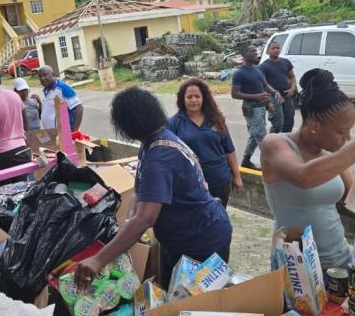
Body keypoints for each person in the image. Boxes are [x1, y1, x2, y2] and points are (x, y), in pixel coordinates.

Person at [74, 87, 233, 290]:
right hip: (183, 238)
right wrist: (131, 217)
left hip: (202, 241)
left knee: (194, 307)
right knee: (170, 293)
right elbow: (140, 190)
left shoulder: (160, 157)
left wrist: (97, 260)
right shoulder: (153, 142)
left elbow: (145, 219)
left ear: (126, 126)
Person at [261, 69, 355, 270]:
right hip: (297, 266)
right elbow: (304, 176)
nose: (348, 138)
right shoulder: (275, 144)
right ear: (314, 126)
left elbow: (354, 205)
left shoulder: (330, 159)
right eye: (342, 131)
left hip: (340, 258)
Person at [168, 78, 243, 207]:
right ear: (182, 99)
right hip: (191, 182)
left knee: (218, 216)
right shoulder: (174, 123)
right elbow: (169, 155)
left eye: (197, 96)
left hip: (220, 180)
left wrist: (237, 176)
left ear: (204, 98)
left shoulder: (215, 119)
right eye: (189, 97)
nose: (193, 100)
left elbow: (229, 149)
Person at [231, 45, 282, 170]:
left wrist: (273, 94)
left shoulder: (258, 69)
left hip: (261, 107)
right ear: (243, 55)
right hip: (251, 109)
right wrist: (256, 96)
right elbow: (234, 94)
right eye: (251, 51)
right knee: (261, 136)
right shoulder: (239, 73)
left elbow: (264, 86)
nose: (255, 52)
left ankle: (246, 160)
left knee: (254, 135)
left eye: (255, 50)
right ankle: (270, 166)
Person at [259, 41, 297, 133]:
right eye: (273, 48)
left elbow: (292, 77)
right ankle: (273, 143)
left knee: (289, 121)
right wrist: (269, 99)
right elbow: (263, 84)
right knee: (278, 123)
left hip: (287, 95)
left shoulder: (286, 62)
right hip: (274, 97)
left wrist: (292, 89)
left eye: (278, 48)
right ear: (268, 51)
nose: (276, 50)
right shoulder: (264, 66)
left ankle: (286, 142)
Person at [38, 65, 83, 131]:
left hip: (64, 134)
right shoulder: (46, 90)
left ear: (53, 75)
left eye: (45, 75)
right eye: (40, 76)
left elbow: (79, 108)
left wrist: (75, 131)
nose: (42, 78)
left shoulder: (62, 88)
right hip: (52, 134)